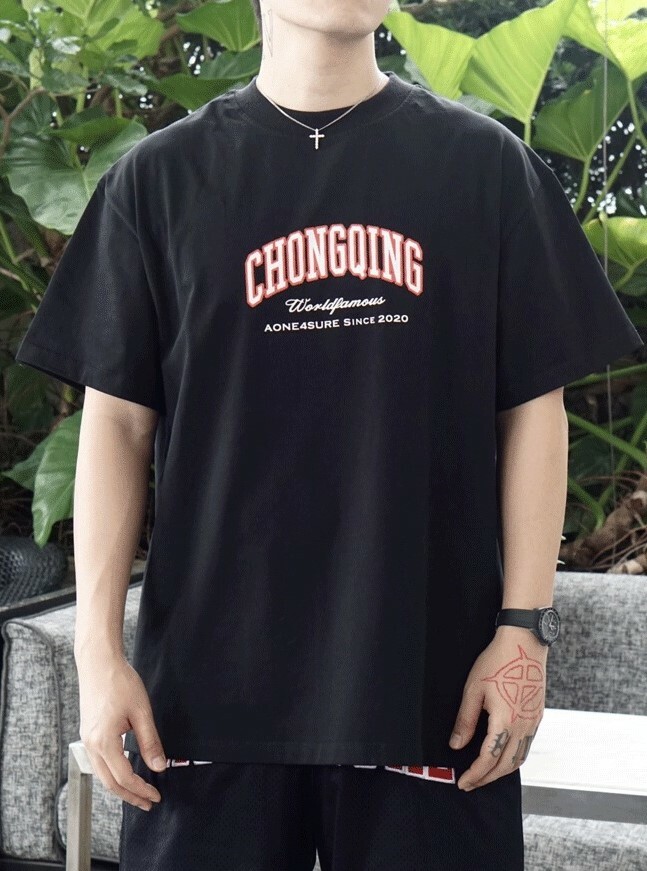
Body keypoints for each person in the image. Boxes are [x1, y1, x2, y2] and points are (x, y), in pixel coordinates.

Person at [14, 0, 644, 868]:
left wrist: (523, 631)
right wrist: (97, 655)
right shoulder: (158, 180)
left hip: (430, 690)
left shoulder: (484, 167)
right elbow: (116, 423)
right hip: (205, 700)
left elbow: (534, 408)